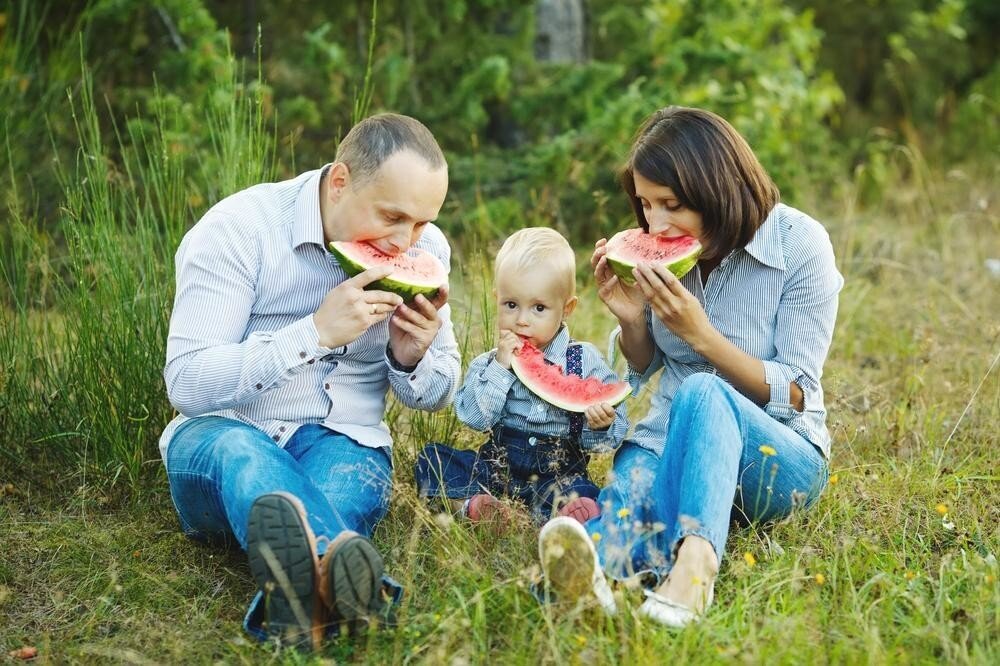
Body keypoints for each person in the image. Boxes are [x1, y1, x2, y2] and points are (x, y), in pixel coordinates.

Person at [159, 113, 461, 649]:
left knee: (328, 504)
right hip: (221, 436)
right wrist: (314, 333)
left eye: (420, 223)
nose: (403, 241)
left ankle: (301, 609)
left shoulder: (426, 248)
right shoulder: (238, 229)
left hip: (346, 440)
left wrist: (411, 355)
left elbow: (436, 395)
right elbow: (187, 382)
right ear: (340, 180)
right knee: (244, 454)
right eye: (392, 217)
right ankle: (360, 597)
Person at [537, 105, 844, 626]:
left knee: (702, 390)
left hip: (777, 455)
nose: (655, 223)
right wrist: (633, 320)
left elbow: (797, 391)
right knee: (630, 513)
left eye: (671, 205)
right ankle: (593, 573)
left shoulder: (800, 244)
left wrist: (702, 334)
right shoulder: (663, 251)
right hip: (663, 441)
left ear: (717, 188)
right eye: (645, 205)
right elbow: (649, 362)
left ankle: (696, 568)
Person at [415, 227, 629, 526]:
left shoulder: (583, 360)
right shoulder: (489, 363)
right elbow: (474, 419)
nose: (522, 320)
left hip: (557, 478)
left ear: (566, 309)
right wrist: (500, 370)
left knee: (582, 493)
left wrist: (601, 424)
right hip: (494, 472)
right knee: (432, 459)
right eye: (511, 305)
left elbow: (605, 442)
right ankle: (474, 507)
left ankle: (565, 517)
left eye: (539, 308)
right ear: (496, 299)